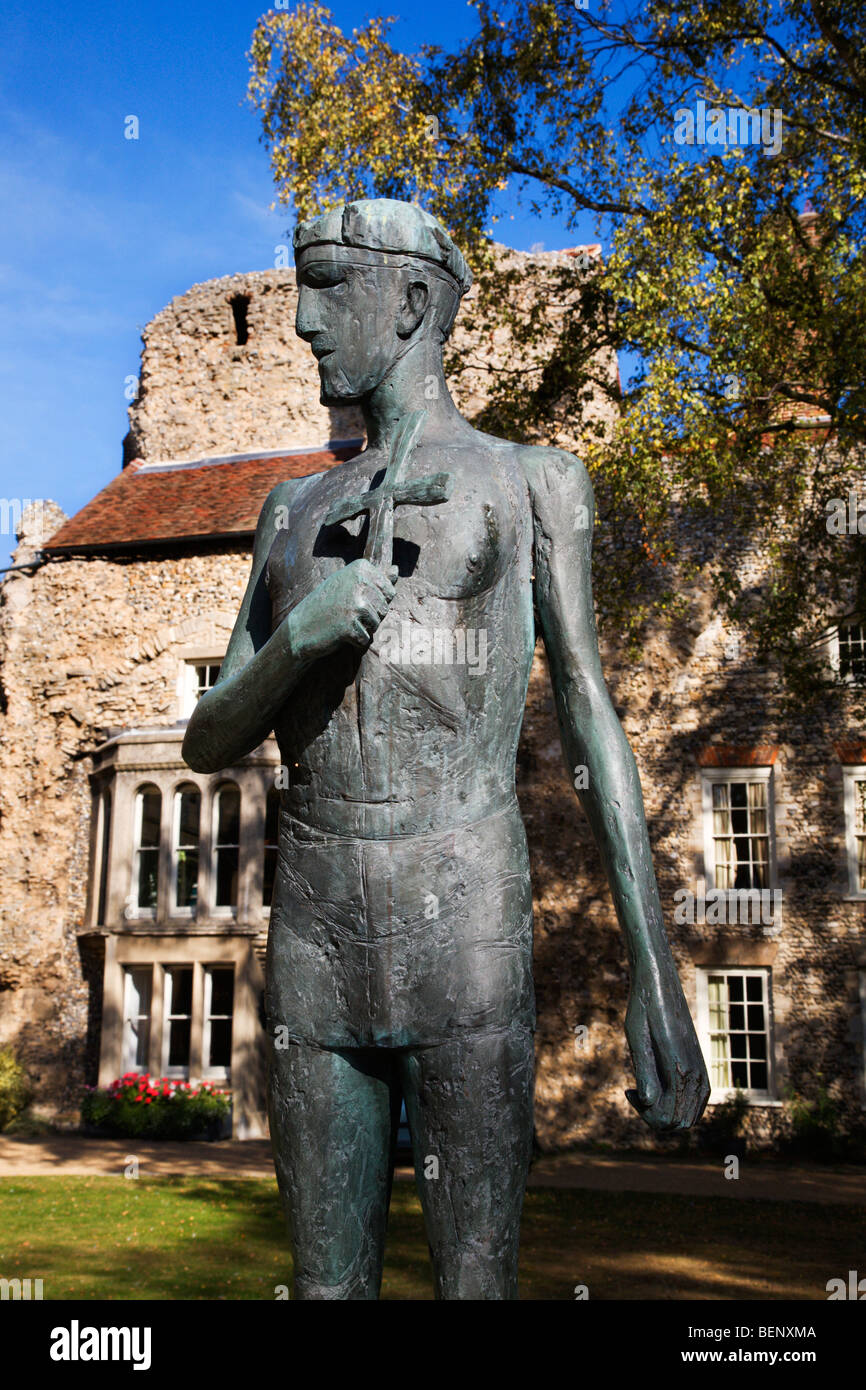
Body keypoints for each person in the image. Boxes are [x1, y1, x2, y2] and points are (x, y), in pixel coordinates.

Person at [183, 198, 709, 1300]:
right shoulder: (290, 512)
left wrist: (651, 968)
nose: (301, 325)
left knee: (476, 1283)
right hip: (319, 921)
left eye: (329, 289)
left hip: (463, 901)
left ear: (412, 300)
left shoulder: (530, 482)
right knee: (328, 1290)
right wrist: (301, 637)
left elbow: (589, 716)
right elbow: (208, 735)